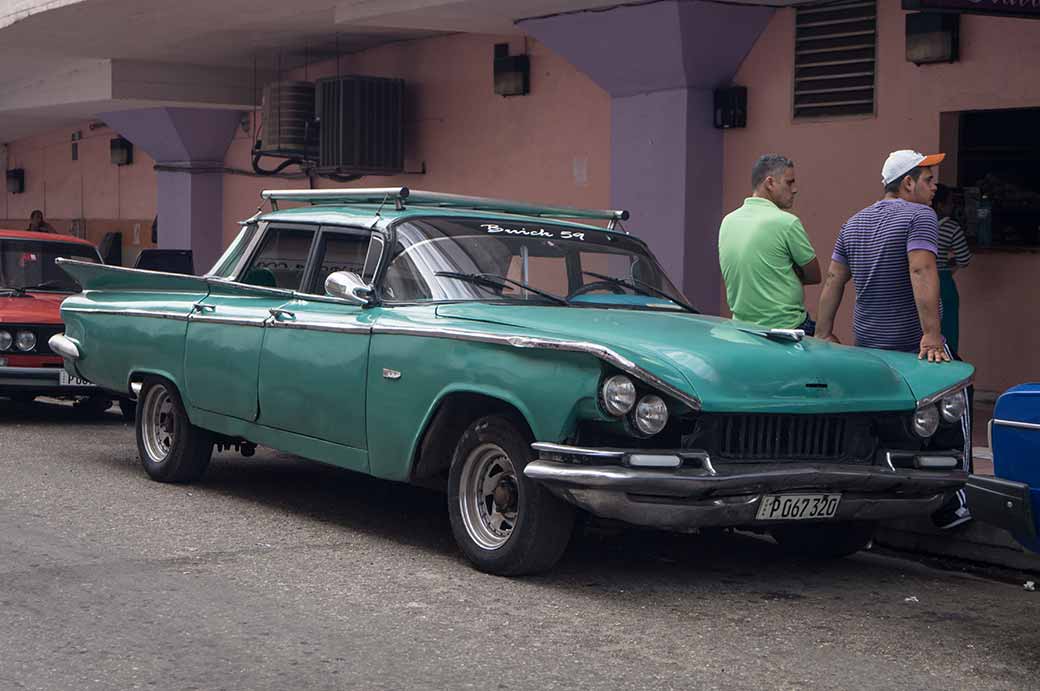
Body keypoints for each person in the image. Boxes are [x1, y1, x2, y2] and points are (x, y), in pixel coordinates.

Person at [815, 149, 971, 529]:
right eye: (929, 180)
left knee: (883, 421)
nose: (935, 188)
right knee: (954, 404)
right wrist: (931, 335)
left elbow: (834, 279)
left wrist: (823, 332)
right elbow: (921, 269)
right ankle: (953, 504)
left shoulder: (854, 222)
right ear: (908, 183)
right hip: (911, 345)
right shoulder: (920, 216)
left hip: (869, 345)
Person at [718, 154, 820, 334]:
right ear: (770, 183)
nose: (795, 189)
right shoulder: (787, 222)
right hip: (787, 328)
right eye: (789, 182)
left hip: (743, 329)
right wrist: (786, 271)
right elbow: (814, 275)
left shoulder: (728, 221)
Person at [933, 184, 972, 356]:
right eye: (950, 202)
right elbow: (964, 259)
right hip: (943, 283)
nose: (953, 206)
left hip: (918, 282)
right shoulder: (952, 228)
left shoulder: (918, 224)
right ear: (941, 205)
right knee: (948, 331)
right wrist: (950, 263)